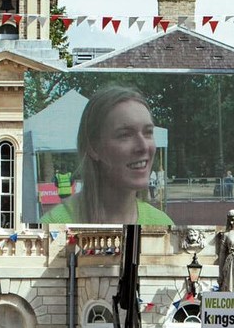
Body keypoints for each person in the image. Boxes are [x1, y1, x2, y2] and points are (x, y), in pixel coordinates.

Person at [40, 86, 174, 225]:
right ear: (93, 148)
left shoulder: (163, 224)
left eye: (148, 132)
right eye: (125, 135)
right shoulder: (52, 226)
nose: (144, 146)